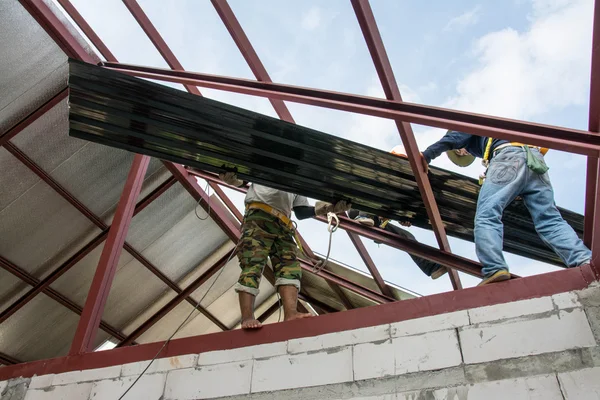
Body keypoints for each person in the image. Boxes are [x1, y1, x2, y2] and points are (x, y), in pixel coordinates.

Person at [421, 130, 591, 285]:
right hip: (535, 160)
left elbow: (453, 138)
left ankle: (494, 268)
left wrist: (426, 156)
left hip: (508, 156)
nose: (463, 151)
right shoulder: (496, 134)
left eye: (461, 150)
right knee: (550, 220)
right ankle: (584, 259)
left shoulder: (466, 128)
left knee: (487, 215)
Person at [219, 172, 351, 329]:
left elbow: (300, 211)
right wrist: (235, 180)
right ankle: (247, 317)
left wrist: (327, 208)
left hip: (283, 224)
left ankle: (291, 314)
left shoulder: (296, 180)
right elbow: (244, 178)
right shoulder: (265, 160)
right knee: (253, 263)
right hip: (259, 216)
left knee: (289, 268)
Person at [350, 210, 448, 279]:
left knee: (407, 237)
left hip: (376, 220)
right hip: (357, 210)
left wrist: (404, 220)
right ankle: (363, 216)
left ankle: (431, 267)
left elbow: (397, 213)